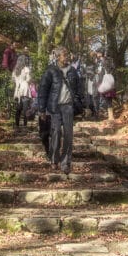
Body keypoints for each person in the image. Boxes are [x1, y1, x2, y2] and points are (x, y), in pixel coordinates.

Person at [38, 45, 83, 175]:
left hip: (68, 107)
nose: (67, 56)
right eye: (64, 54)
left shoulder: (73, 71)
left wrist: (81, 103)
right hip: (54, 107)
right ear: (58, 56)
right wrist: (41, 109)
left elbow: (79, 89)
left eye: (67, 54)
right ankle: (54, 159)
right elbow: (43, 90)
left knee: (69, 135)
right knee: (56, 132)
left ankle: (65, 163)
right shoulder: (50, 71)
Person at [13, 51, 32, 128]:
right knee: (25, 109)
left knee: (18, 109)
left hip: (18, 91)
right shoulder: (26, 69)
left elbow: (13, 80)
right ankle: (25, 125)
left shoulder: (15, 70)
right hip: (25, 89)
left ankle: (17, 125)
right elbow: (28, 79)